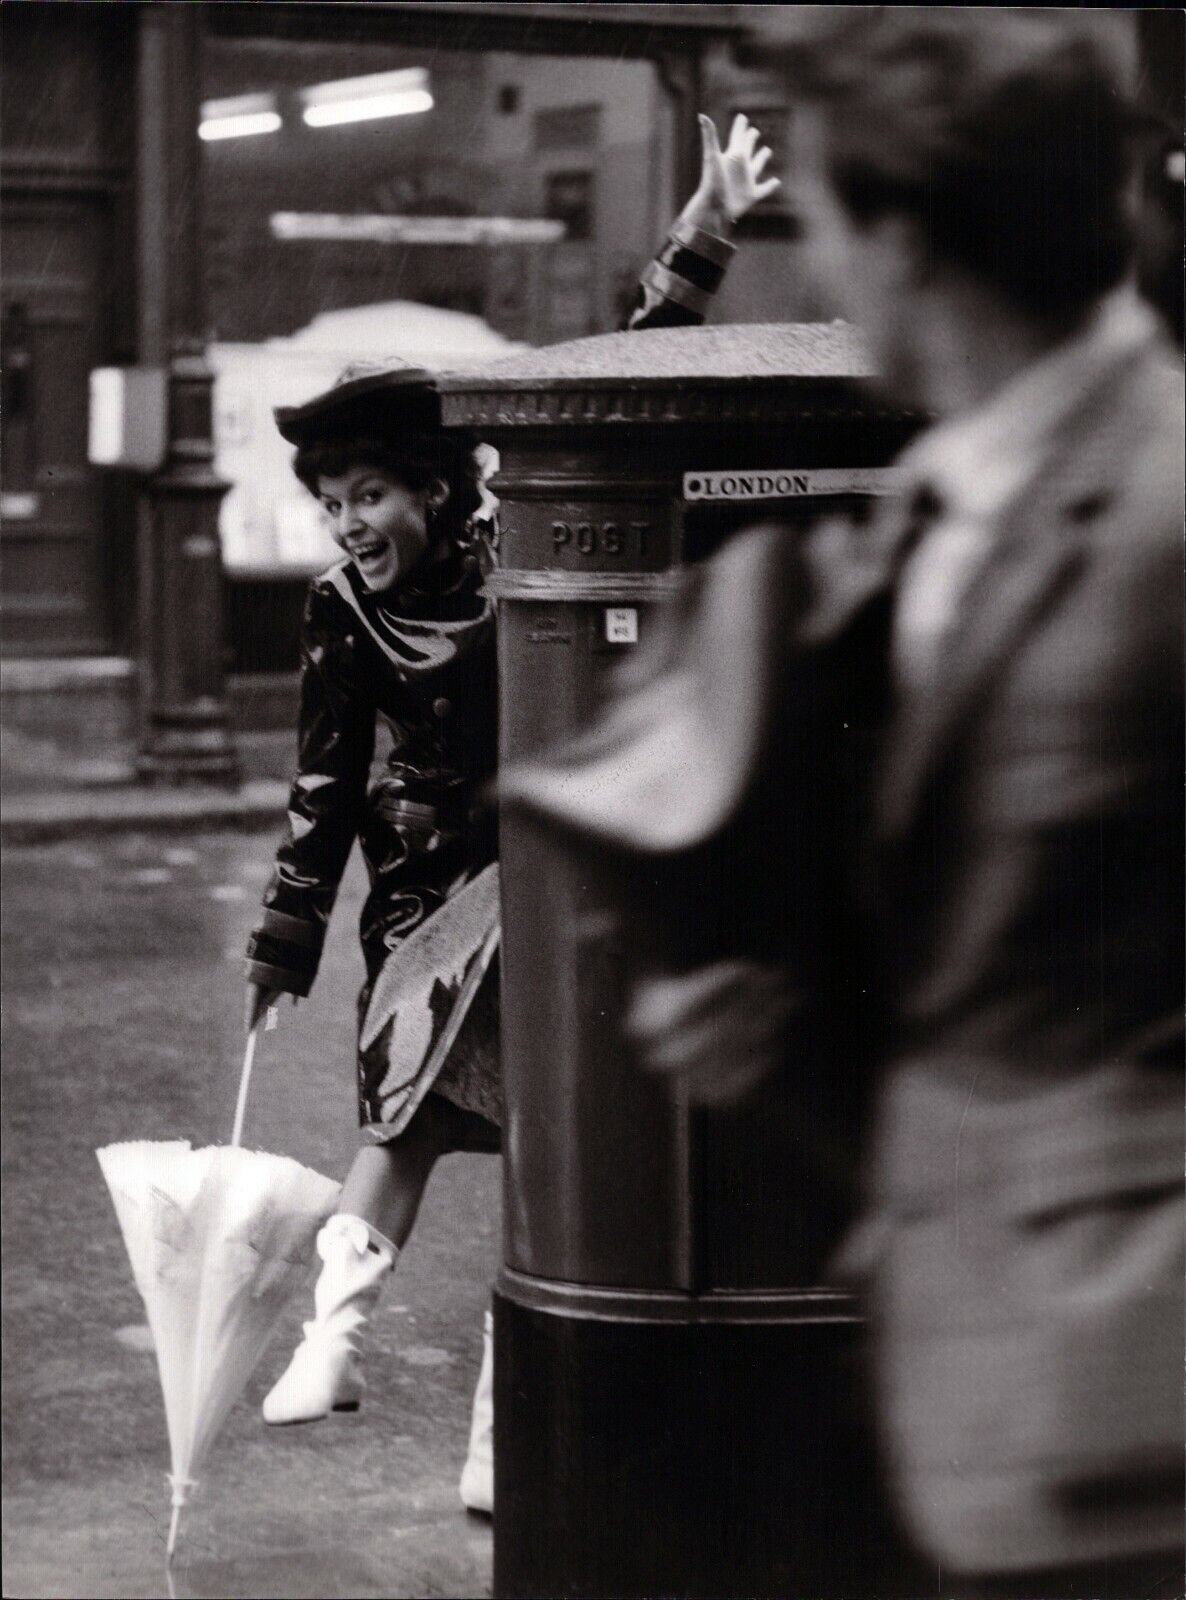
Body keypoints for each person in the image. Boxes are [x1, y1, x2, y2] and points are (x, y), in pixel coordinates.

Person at [501, 12, 1184, 1595]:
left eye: (828, 214)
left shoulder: (1159, 514)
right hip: (977, 1398)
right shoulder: (953, 505)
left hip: (1136, 1433)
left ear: (906, 242)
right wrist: (793, 1027)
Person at [244, 112, 780, 1516]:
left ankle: (498, 1430)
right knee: (407, 1121)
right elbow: (321, 775)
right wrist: (283, 946)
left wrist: (702, 232)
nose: (349, 521)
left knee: (551, 1160)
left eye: (369, 493)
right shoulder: (336, 607)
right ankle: (333, 1341)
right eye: (331, 502)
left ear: (433, 488)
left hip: (538, 877)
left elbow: (610, 379)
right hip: (426, 897)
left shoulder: (511, 546)